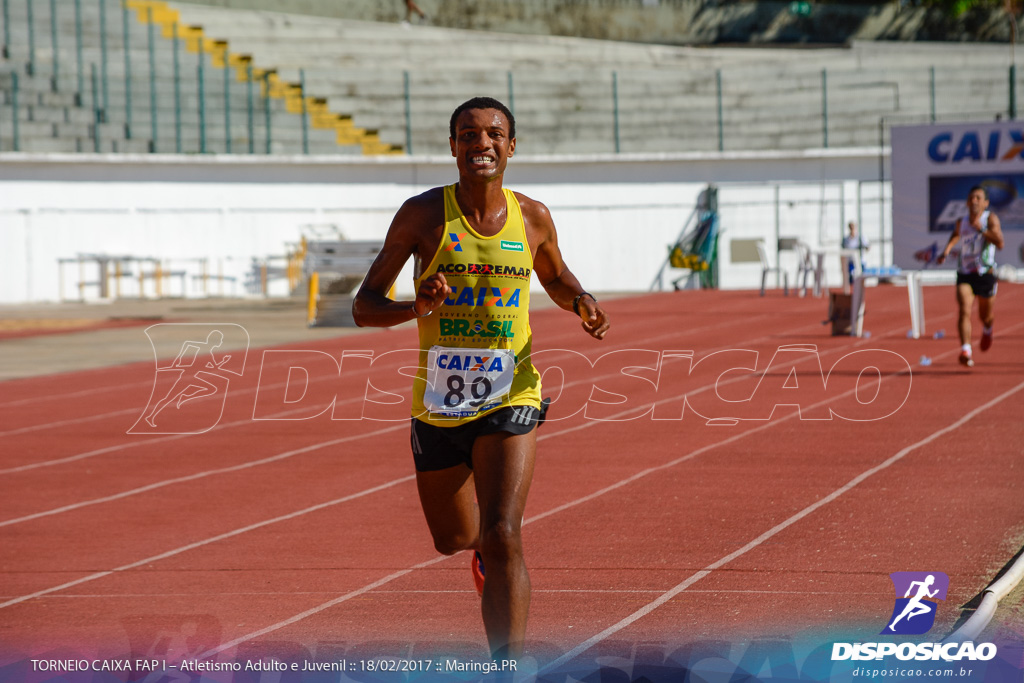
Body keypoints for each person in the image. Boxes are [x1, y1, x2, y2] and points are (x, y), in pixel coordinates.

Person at [351, 97, 610, 659]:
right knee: (454, 539)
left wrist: (580, 299)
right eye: (468, 134)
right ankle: (479, 556)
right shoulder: (422, 215)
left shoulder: (533, 216)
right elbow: (365, 306)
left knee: (503, 533)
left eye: (494, 133)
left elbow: (556, 274)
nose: (482, 143)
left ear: (512, 146)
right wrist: (414, 308)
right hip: (439, 403)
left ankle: (508, 668)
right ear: (453, 146)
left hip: (511, 393)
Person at [936, 185, 1004, 367]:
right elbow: (955, 235)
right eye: (971, 198)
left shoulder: (990, 219)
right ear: (967, 202)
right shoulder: (962, 221)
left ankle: (988, 328)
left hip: (985, 273)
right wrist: (946, 252)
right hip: (965, 273)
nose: (974, 201)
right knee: (964, 309)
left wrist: (981, 230)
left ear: (985, 203)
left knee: (985, 316)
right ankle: (965, 349)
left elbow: (1000, 243)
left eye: (978, 198)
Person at [841, 221, 869, 285]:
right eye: (850, 227)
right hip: (851, 262)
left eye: (853, 227)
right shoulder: (846, 239)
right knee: (851, 279)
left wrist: (864, 247)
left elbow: (867, 247)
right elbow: (843, 250)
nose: (852, 228)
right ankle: (852, 294)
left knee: (861, 280)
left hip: (860, 261)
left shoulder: (860, 238)